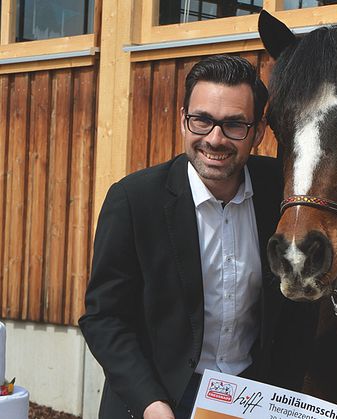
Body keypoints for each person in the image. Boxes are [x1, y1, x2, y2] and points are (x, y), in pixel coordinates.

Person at [79, 55, 316, 419]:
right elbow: (104, 318)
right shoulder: (134, 200)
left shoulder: (282, 195)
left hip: (252, 398)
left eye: (234, 124)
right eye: (202, 120)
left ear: (259, 131)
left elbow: (297, 313)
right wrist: (150, 403)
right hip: (159, 399)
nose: (215, 139)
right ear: (182, 119)